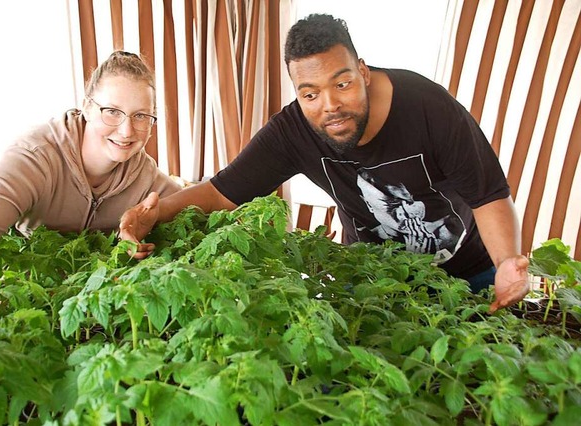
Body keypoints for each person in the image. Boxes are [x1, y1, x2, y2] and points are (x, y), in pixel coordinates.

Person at [119, 14, 529, 313]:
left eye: (342, 83)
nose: (330, 106)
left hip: (471, 272)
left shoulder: (429, 108)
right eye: (309, 93)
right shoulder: (292, 131)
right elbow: (221, 191)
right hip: (376, 282)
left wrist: (507, 263)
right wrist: (150, 216)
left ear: (363, 71)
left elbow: (488, 194)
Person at [0, 51, 181, 282]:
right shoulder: (36, 158)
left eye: (140, 116)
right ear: (87, 107)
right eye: (112, 111)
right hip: (21, 299)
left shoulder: (145, 175)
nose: (126, 130)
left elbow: (199, 205)